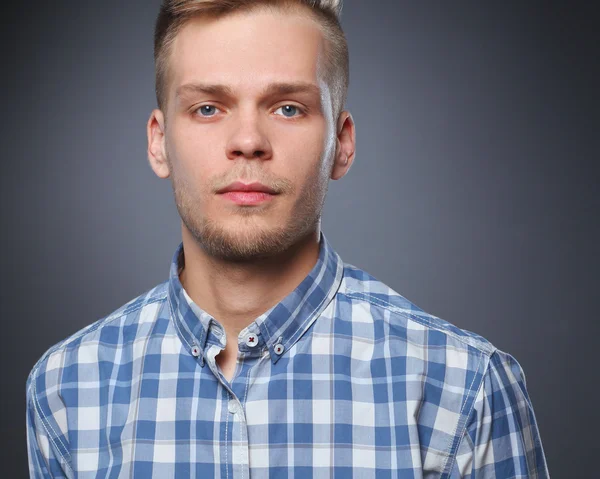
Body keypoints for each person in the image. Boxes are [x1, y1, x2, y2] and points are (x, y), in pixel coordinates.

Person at [26, 0, 550, 477]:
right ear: (159, 143)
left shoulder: (465, 388)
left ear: (342, 145)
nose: (249, 141)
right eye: (208, 107)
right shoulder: (67, 389)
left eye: (288, 107)